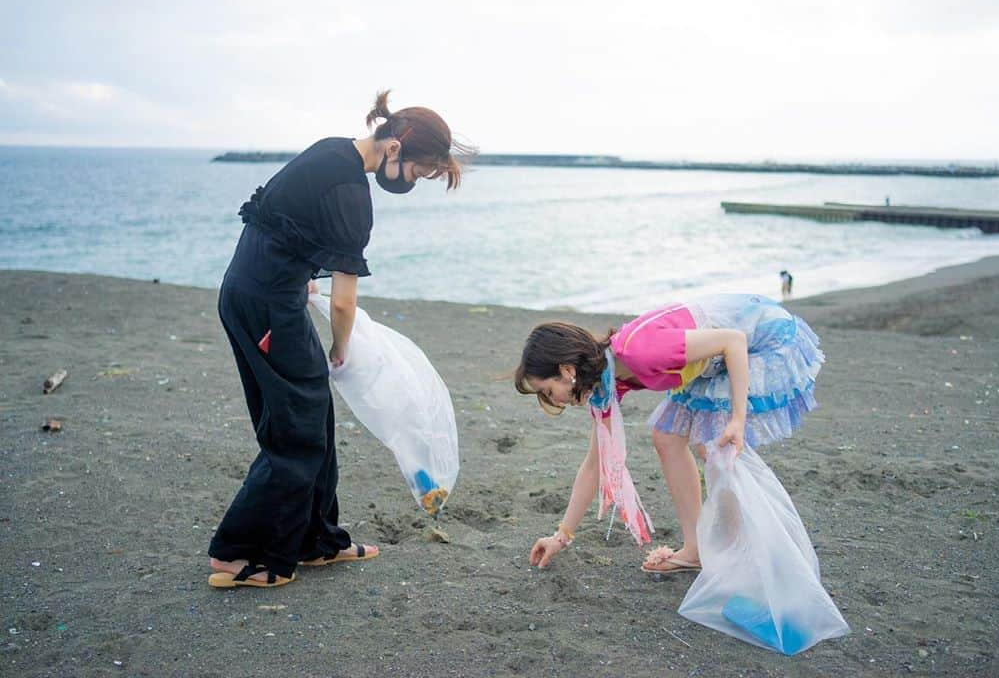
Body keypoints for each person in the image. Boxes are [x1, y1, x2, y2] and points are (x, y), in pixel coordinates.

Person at [207, 90, 470, 588]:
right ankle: (237, 553)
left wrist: (302, 272)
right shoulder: (352, 192)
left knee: (311, 419)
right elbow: (345, 301)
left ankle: (318, 540)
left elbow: (283, 223)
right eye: (417, 172)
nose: (411, 182)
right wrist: (341, 346)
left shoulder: (330, 150)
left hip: (254, 293)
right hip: (267, 308)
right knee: (297, 435)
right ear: (395, 149)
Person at [515, 294, 824, 573]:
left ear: (567, 370)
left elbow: (733, 341)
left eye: (547, 389)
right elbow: (594, 464)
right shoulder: (605, 385)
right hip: (710, 361)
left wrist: (737, 420)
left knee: (715, 444)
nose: (554, 400)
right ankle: (696, 549)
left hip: (763, 336)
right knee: (667, 437)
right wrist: (561, 536)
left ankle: (748, 552)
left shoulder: (641, 352)